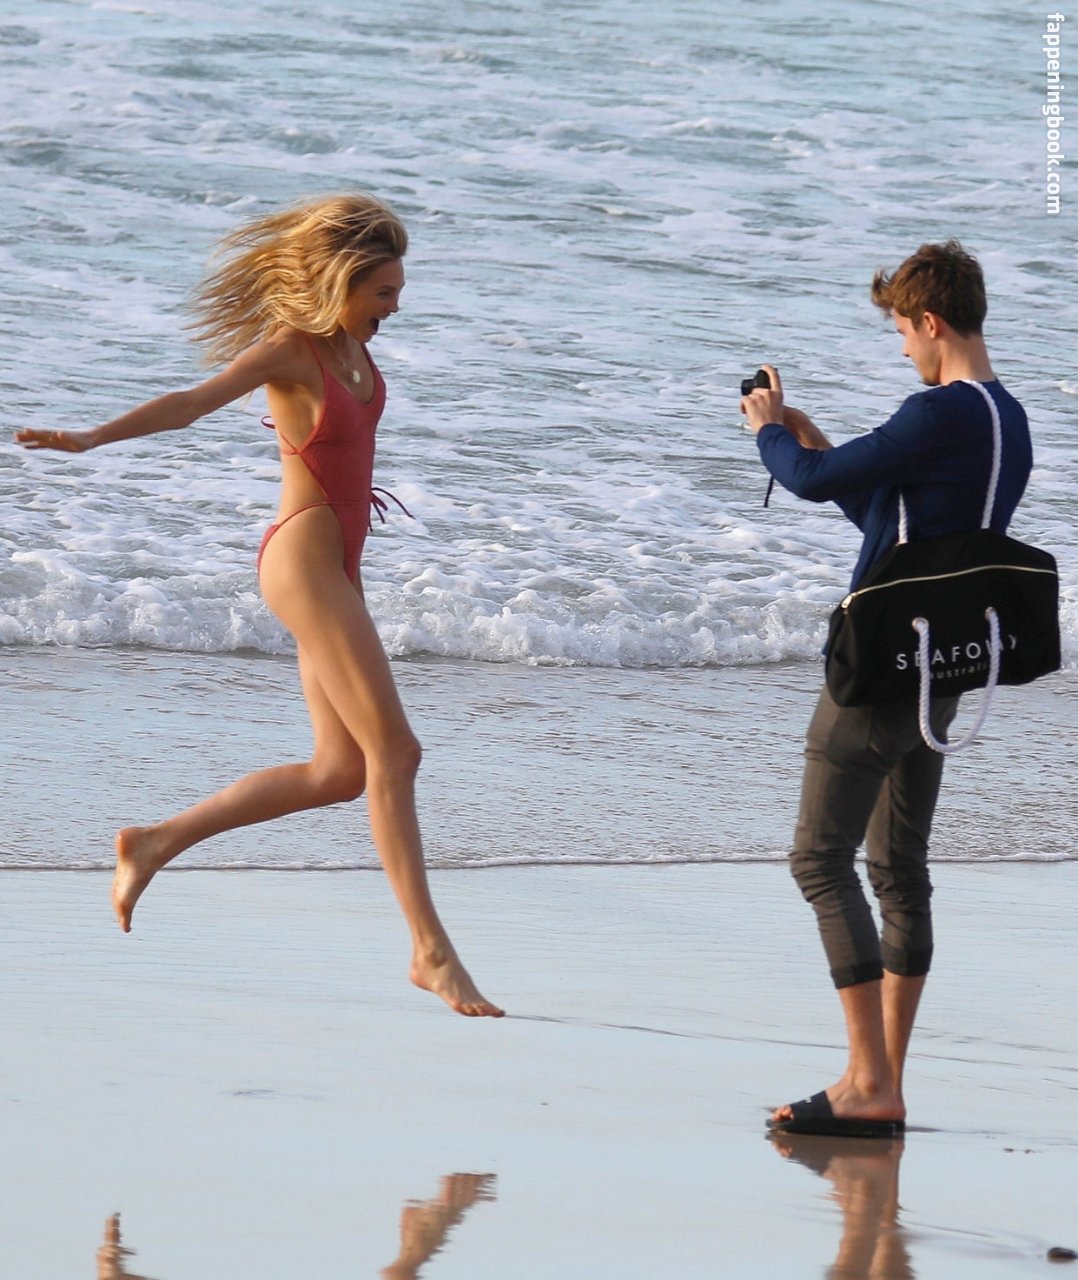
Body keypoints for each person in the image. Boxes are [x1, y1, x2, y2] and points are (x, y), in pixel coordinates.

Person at [16, 192, 502, 1018]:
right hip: (304, 560)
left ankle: (155, 841)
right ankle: (429, 951)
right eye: (383, 291)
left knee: (340, 772)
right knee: (397, 752)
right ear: (343, 281)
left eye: (397, 290)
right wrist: (93, 437)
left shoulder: (352, 346)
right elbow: (191, 403)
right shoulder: (290, 351)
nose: (395, 306)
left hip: (339, 565)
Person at [740, 240, 1031, 1134]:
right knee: (899, 869)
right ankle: (884, 1083)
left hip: (878, 669)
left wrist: (768, 429)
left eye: (902, 331)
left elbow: (808, 483)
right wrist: (815, 443)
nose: (902, 346)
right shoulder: (1007, 417)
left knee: (819, 860)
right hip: (941, 669)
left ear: (932, 322)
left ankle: (868, 1082)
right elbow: (892, 517)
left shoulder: (935, 411)